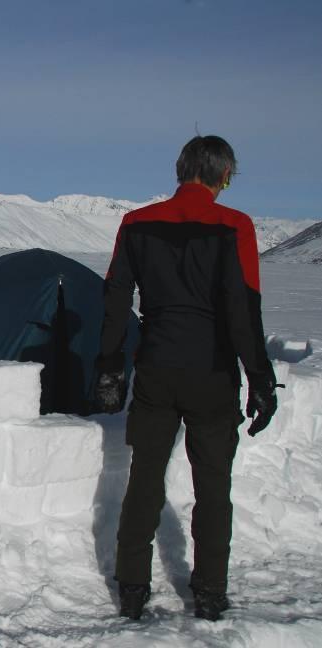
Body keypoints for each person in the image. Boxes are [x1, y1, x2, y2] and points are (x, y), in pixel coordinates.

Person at [95, 135, 280, 622]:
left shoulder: (135, 224)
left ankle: (132, 588)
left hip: (156, 368)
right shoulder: (235, 225)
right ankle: (211, 593)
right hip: (214, 375)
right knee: (213, 487)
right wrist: (259, 376)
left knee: (145, 479)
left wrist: (110, 367)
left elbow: (115, 299)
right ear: (222, 175)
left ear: (181, 170)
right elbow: (244, 308)